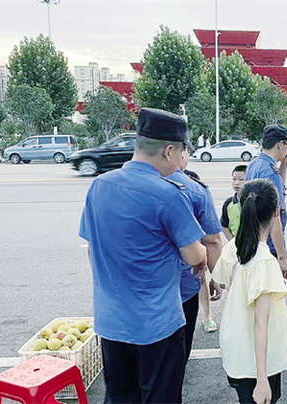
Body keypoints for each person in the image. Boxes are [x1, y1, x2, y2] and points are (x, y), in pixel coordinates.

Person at [79, 108, 207, 404]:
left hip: (111, 321)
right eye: (180, 153)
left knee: (121, 397)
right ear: (168, 151)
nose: (179, 162)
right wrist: (199, 258)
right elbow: (195, 254)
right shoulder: (169, 194)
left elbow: (90, 249)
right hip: (156, 324)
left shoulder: (99, 185)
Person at [212, 178, 287, 404]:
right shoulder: (264, 261)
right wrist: (263, 380)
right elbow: (261, 324)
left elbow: (224, 282)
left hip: (237, 350)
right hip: (257, 362)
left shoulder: (234, 245)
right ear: (276, 212)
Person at [168, 147, 224, 362]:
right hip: (182, 289)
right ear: (176, 151)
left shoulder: (107, 185)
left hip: (129, 293)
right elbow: (210, 241)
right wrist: (216, 277)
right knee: (174, 360)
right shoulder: (193, 190)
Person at [245, 124, 287, 279]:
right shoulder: (270, 172)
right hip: (269, 241)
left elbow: (277, 194)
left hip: (255, 236)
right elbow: (275, 217)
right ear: (281, 144)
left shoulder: (255, 164)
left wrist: (283, 167)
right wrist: (282, 257)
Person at [221, 165, 247, 241]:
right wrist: (232, 242)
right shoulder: (229, 203)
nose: (236, 183)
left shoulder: (256, 202)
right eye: (234, 179)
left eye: (241, 179)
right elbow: (224, 225)